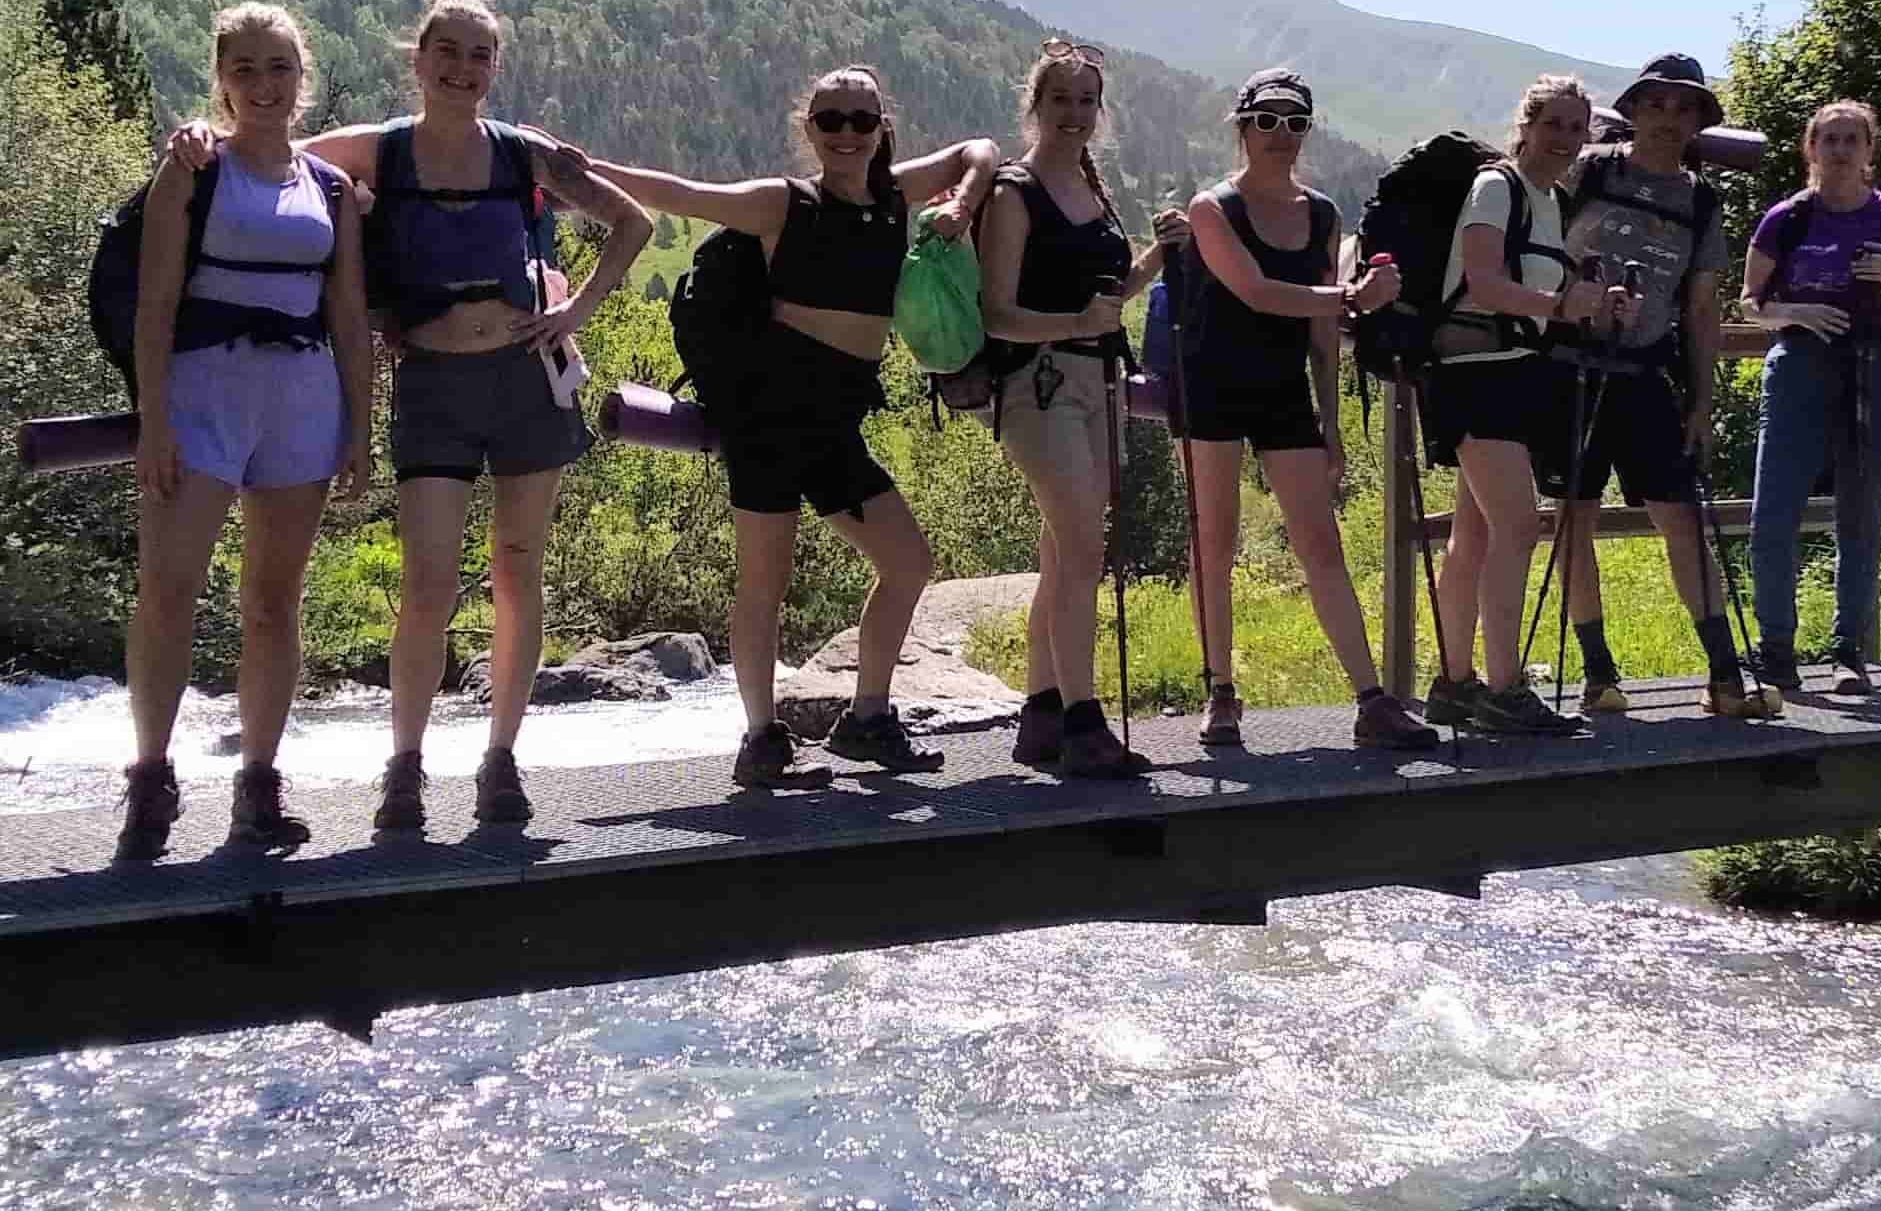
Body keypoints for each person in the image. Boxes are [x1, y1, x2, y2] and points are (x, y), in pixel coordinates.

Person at [177, 0, 652, 835]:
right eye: (448, 52)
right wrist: (199, 142)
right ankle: (404, 768)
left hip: (525, 382)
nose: (461, 69)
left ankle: (500, 761)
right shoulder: (378, 152)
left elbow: (632, 223)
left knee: (516, 571)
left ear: (494, 66)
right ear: (419, 58)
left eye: (478, 55)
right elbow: (267, 149)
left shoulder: (524, 152)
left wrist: (575, 310)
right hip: (433, 386)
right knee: (427, 584)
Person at [602, 69, 998, 787]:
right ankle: (760, 739)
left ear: (881, 125)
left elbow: (981, 148)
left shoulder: (892, 196)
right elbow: (675, 194)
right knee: (763, 583)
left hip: (835, 419)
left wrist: (962, 206)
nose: (845, 132)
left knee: (907, 561)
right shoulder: (784, 203)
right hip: (766, 412)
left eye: (860, 119)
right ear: (808, 128)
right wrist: (570, 164)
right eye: (830, 120)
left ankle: (867, 719)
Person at [121, 4, 374, 860]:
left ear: (302, 80)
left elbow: (347, 313)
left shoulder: (330, 188)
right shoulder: (189, 172)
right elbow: (154, 309)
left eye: (280, 69)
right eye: (247, 70)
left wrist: (358, 427)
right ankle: (150, 780)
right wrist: (153, 422)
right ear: (221, 81)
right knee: (168, 594)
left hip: (301, 403)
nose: (264, 85)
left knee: (272, 604)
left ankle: (258, 786)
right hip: (202, 398)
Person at [1168, 68, 1441, 753]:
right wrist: (1354, 297)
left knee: (1321, 545)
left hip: (1282, 391)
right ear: (1242, 127)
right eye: (1266, 121)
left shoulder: (1320, 213)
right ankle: (1220, 692)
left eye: (1294, 122)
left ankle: (1371, 701)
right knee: (1214, 545)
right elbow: (1258, 293)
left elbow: (1320, 333)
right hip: (1209, 388)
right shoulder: (1211, 209)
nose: (1280, 135)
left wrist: (1330, 423)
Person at [972, 40, 1167, 778]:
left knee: (1064, 551)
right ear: (1036, 105)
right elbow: (998, 314)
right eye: (1061, 100)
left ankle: (1042, 714)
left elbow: (1106, 305)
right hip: (1039, 386)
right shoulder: (1014, 193)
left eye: (1087, 101)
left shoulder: (1093, 188)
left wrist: (1155, 258)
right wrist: (1074, 328)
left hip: (1096, 385)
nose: (1075, 114)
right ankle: (1085, 722)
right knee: (1083, 546)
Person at [1553, 54, 1768, 720]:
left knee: (1681, 522)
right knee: (1573, 522)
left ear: (1699, 120)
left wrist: (1702, 401)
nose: (1670, 119)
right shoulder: (1588, 171)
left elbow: (1702, 308)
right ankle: (1598, 676)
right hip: (1570, 368)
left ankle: (1725, 677)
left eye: (1685, 108)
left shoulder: (1701, 200)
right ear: (1636, 108)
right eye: (1658, 104)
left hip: (1647, 374)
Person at [1423, 74, 1625, 735]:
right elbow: (1482, 280)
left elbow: (1545, 289)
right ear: (1527, 125)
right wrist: (1557, 306)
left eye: (1576, 127)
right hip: (1472, 374)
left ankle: (1453, 684)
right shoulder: (1496, 187)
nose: (1566, 138)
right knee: (1518, 526)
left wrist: (1591, 303)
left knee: (1474, 536)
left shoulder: (1545, 202)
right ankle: (1504, 689)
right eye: (1554, 124)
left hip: (1510, 374)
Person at [1737, 100, 1881, 699]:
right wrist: (1795, 311)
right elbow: (1749, 302)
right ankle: (1776, 651)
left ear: (1870, 151)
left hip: (1880, 366)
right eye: (1830, 140)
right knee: (1772, 513)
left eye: (1853, 140)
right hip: (1800, 364)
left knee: (1860, 512)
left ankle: (1848, 652)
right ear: (1811, 149)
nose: (1842, 151)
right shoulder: (1787, 218)